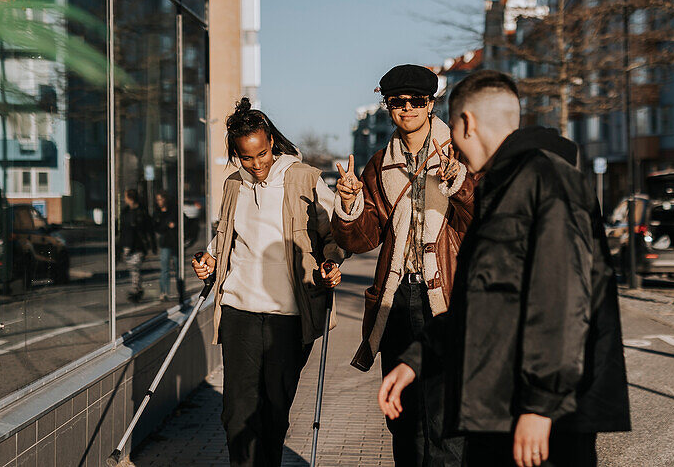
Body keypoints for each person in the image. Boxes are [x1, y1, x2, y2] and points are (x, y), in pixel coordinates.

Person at [378, 70, 631, 467]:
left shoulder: (545, 181)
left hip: (541, 420)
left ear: (466, 124)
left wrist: (540, 405)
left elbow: (562, 301)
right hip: (499, 408)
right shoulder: (503, 186)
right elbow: (485, 298)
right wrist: (418, 358)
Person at [332, 64, 475, 467]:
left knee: (446, 417)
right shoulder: (379, 164)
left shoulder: (461, 152)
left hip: (447, 298)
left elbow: (486, 219)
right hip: (399, 301)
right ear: (388, 106)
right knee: (403, 418)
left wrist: (459, 181)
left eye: (417, 101)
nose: (407, 108)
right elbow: (363, 239)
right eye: (397, 102)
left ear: (431, 104)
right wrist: (348, 204)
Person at [192, 98, 343, 467]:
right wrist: (209, 259)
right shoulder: (233, 186)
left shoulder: (304, 177)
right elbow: (225, 234)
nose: (256, 165)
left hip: (288, 316)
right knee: (237, 414)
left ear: (271, 143)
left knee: (274, 413)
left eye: (261, 154)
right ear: (236, 155)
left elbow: (334, 234)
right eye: (247, 158)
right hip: (240, 311)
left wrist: (331, 262)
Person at [118, 188, 153, 302]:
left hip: (138, 245)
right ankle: (137, 288)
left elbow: (148, 228)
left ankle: (136, 290)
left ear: (130, 198)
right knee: (132, 268)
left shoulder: (141, 211)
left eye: (126, 197)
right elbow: (122, 229)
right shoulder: (125, 211)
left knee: (134, 268)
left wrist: (151, 245)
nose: (125, 199)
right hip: (127, 244)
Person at [153, 191, 178, 301]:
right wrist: (167, 225)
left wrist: (174, 225)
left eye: (161, 199)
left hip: (175, 242)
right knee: (165, 269)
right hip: (165, 243)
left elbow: (183, 221)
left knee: (178, 267)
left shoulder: (174, 210)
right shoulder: (157, 212)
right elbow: (156, 227)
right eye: (157, 199)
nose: (159, 202)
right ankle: (164, 292)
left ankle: (180, 291)